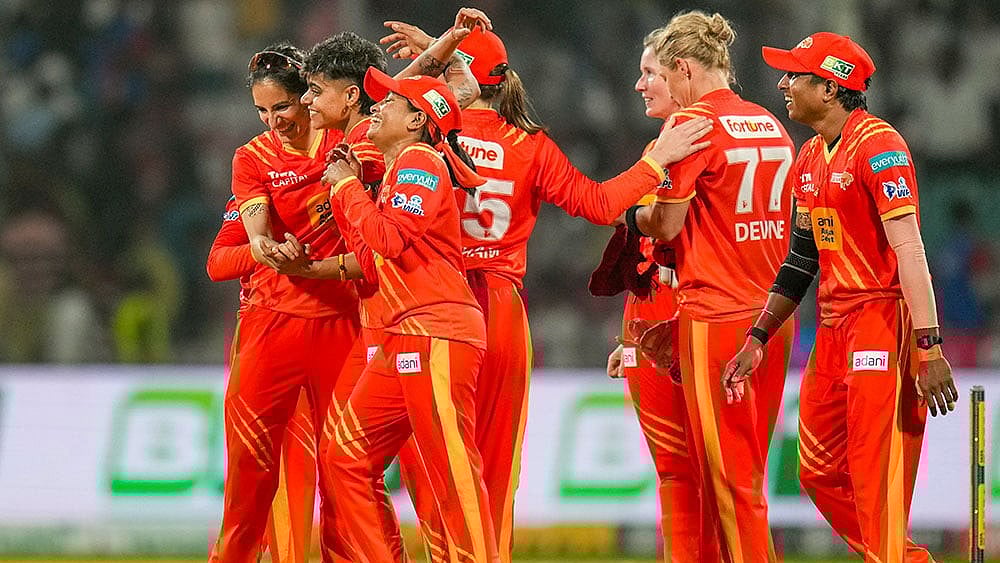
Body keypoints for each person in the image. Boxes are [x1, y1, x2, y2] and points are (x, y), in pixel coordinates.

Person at [376, 21, 711, 562]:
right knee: (494, 467)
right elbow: (601, 205)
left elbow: (384, 115)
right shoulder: (529, 145)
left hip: (433, 306)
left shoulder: (431, 133)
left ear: (461, 76)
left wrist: (428, 62)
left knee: (433, 463)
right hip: (503, 313)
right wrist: (654, 162)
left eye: (447, 67)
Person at [724, 31, 959, 562]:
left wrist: (929, 348)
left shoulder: (880, 147)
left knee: (876, 476)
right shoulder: (808, 158)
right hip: (831, 328)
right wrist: (757, 335)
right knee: (818, 471)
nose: (783, 84)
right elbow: (801, 260)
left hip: (881, 319)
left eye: (795, 75)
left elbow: (910, 249)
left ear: (830, 88)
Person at [628, 11, 796, 562]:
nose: (654, 87)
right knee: (744, 477)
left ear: (683, 68)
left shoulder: (691, 127)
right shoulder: (771, 124)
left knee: (729, 486)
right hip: (772, 320)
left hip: (717, 320)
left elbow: (668, 226)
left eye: (660, 74)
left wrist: (634, 211)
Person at [321, 69, 495, 563]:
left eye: (390, 102)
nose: (376, 107)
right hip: (407, 333)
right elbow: (375, 253)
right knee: (346, 455)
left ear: (417, 120)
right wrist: (349, 191)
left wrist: (347, 189)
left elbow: (390, 239)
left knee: (451, 468)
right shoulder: (400, 169)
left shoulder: (420, 160)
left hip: (438, 330)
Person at [211, 42, 367, 563]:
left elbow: (399, 97)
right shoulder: (251, 158)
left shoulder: (350, 142)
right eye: (262, 110)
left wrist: (443, 49)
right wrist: (263, 248)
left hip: (342, 324)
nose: (274, 120)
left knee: (345, 470)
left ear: (311, 97)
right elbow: (240, 243)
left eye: (283, 106)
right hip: (270, 325)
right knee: (250, 472)